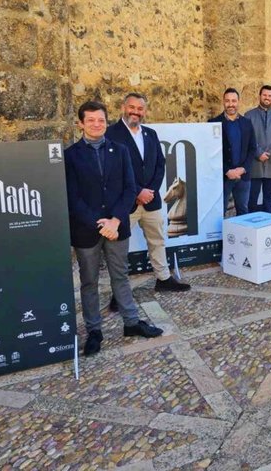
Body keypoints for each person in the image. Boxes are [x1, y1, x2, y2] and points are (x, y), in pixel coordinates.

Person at [65, 100, 163, 357]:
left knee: (121, 275)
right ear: (81, 124)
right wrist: (101, 224)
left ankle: (131, 323)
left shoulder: (119, 151)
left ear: (106, 121)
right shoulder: (71, 156)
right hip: (87, 230)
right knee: (89, 282)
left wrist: (116, 221)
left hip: (117, 226)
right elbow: (72, 197)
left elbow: (129, 188)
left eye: (100, 120)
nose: (97, 125)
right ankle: (94, 330)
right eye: (91, 120)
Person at [106, 93, 190, 302]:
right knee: (119, 250)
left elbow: (159, 165)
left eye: (140, 108)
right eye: (131, 107)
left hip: (150, 201)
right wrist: (136, 193)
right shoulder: (111, 134)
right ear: (123, 107)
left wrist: (150, 191)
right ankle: (119, 293)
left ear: (144, 111)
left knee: (157, 240)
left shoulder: (150, 134)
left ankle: (163, 279)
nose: (135, 112)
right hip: (125, 204)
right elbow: (113, 171)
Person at [209, 88, 257, 216]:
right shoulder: (213, 123)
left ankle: (242, 236)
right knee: (220, 211)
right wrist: (227, 171)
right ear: (223, 102)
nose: (231, 104)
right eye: (227, 101)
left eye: (234, 101)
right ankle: (220, 236)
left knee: (242, 210)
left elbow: (252, 148)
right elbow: (211, 153)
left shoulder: (247, 123)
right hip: (223, 176)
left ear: (238, 102)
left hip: (243, 176)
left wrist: (243, 169)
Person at [244, 85, 271, 214]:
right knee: (252, 198)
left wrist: (268, 153)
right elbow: (248, 137)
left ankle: (268, 225)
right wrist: (258, 153)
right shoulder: (249, 115)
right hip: (255, 163)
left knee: (269, 197)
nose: (267, 98)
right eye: (264, 95)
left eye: (270, 96)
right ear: (260, 96)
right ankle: (251, 225)